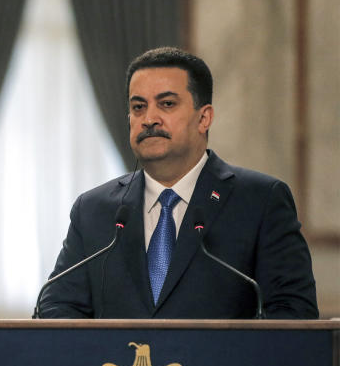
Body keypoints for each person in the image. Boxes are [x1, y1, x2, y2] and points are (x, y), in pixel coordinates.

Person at [39, 47, 318, 319]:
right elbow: (55, 311)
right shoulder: (93, 210)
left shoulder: (261, 200)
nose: (149, 119)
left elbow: (293, 314)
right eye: (138, 107)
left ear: (204, 117)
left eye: (167, 104)